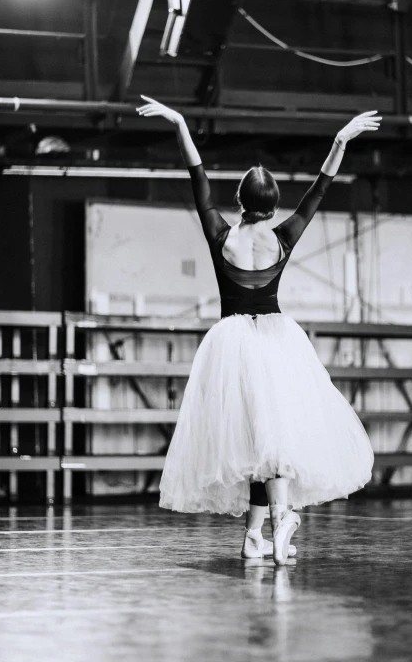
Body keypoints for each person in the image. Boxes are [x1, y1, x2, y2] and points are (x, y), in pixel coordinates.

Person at [136, 96, 378, 565]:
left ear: (240, 202)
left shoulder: (221, 236)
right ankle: (281, 516)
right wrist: (340, 139)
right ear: (273, 206)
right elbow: (320, 189)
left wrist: (181, 122)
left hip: (231, 343)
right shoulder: (283, 237)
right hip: (275, 341)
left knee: (256, 441)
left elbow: (198, 178)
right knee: (274, 438)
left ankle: (254, 535)